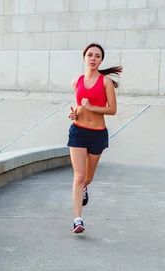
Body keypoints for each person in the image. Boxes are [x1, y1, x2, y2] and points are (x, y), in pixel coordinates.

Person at [67, 43, 122, 234]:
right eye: (90, 55)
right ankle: (77, 219)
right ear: (84, 58)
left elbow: (112, 110)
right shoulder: (76, 82)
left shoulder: (106, 82)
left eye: (97, 56)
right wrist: (74, 114)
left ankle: (84, 188)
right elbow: (78, 107)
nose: (93, 58)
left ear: (100, 60)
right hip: (78, 132)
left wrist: (92, 108)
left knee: (88, 177)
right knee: (79, 176)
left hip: (98, 134)